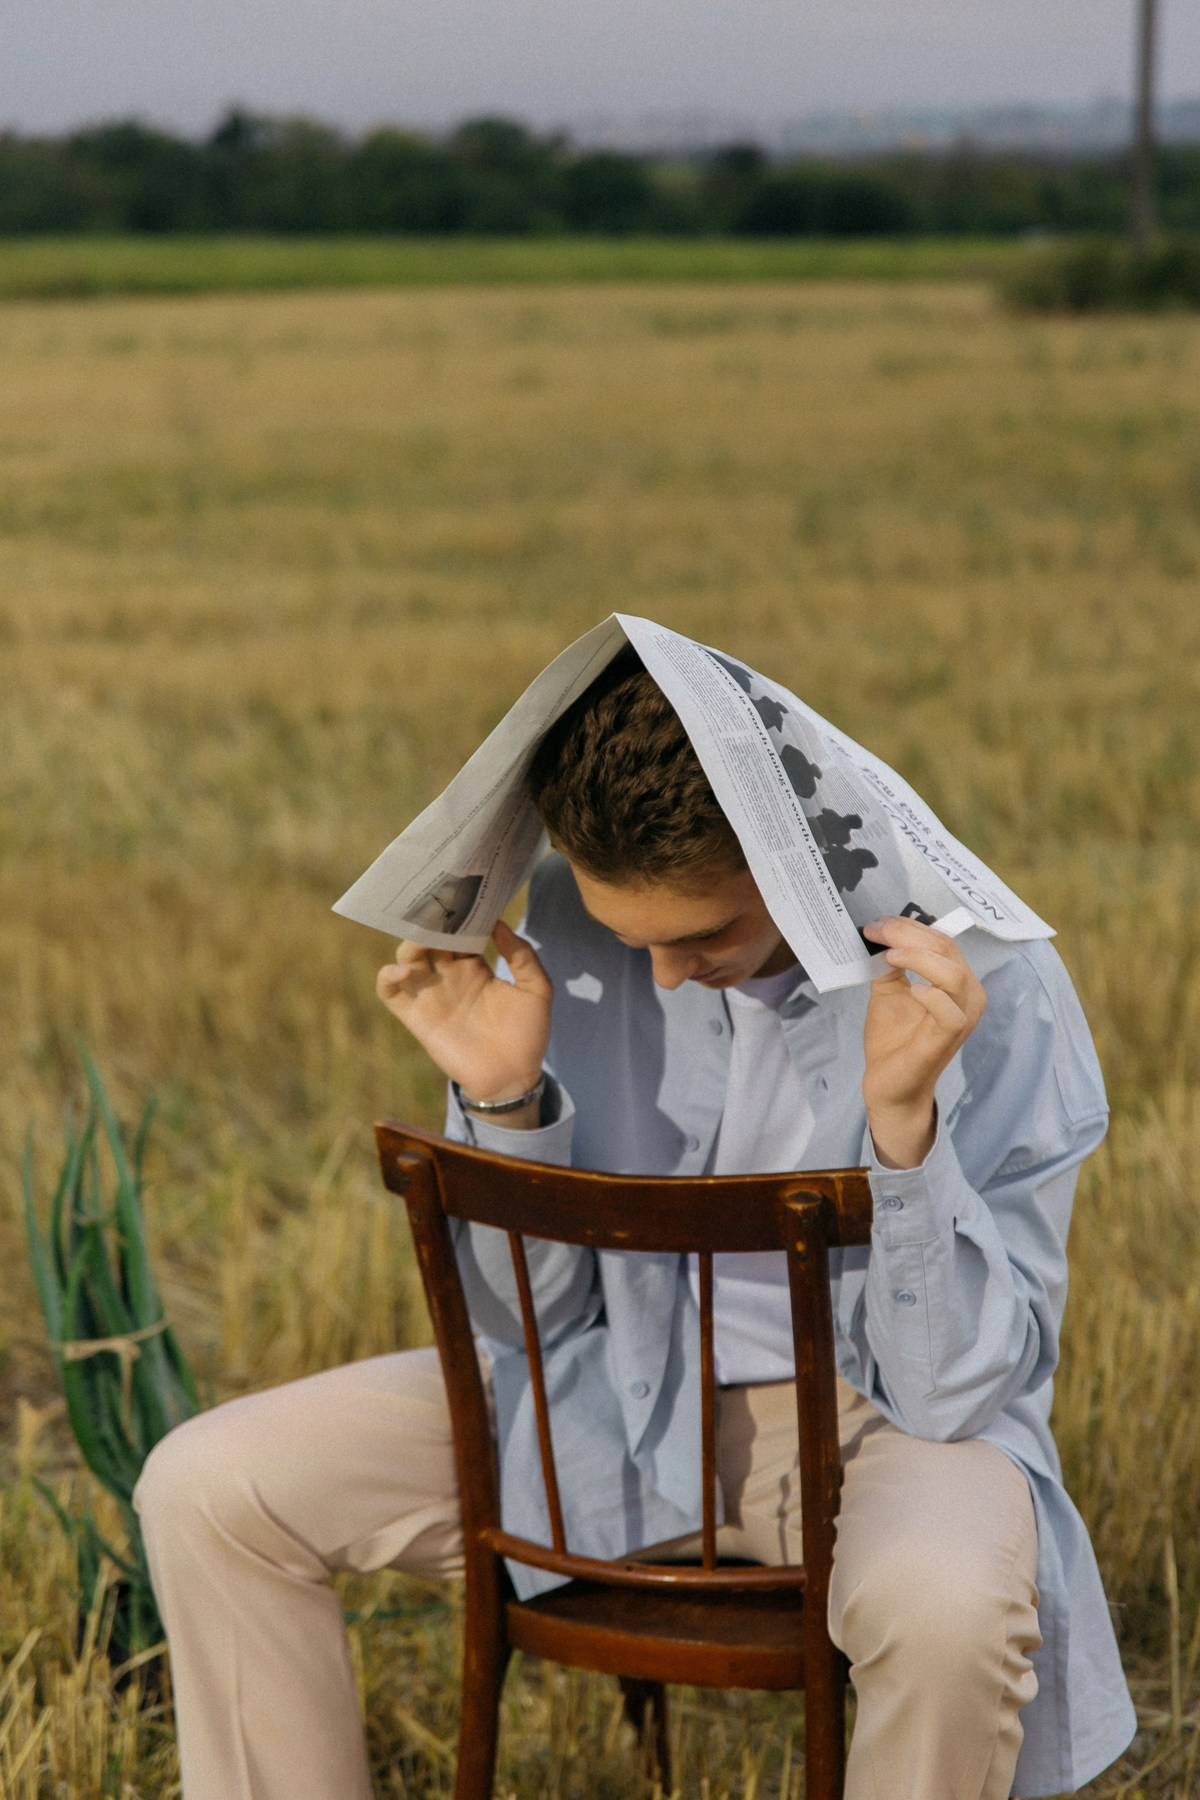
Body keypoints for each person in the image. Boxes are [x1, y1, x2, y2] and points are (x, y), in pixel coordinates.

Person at [135, 648, 1135, 1800]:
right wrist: (507, 1104)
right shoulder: (573, 921)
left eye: (701, 937)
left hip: (885, 1432)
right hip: (609, 1393)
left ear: (788, 863)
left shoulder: (994, 988)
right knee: (208, 1486)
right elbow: (536, 1319)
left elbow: (955, 1393)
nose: (660, 978)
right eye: (629, 939)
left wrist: (906, 1134)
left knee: (951, 1614)